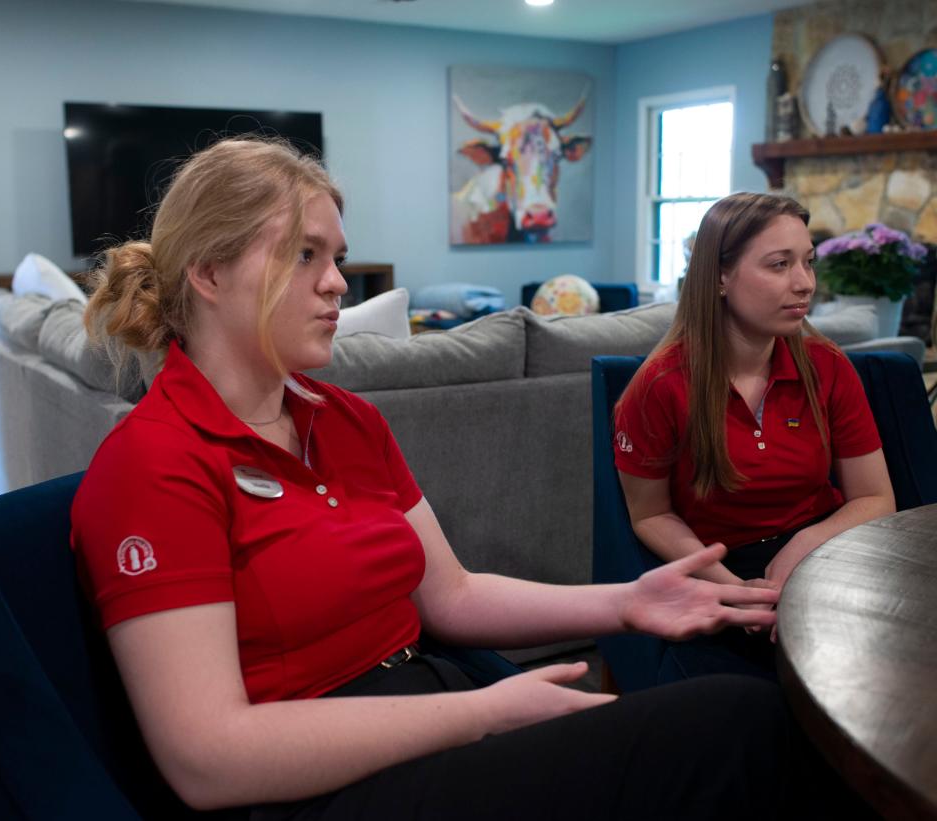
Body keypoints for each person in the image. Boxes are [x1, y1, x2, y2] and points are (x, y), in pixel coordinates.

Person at [72, 138, 799, 820]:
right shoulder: (155, 464)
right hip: (320, 784)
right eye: (303, 254)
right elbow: (207, 758)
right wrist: (482, 712)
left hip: (433, 696)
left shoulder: (345, 418)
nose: (336, 282)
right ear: (208, 273)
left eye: (336, 256)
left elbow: (451, 594)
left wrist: (629, 600)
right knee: (735, 724)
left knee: (730, 723)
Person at [613, 192, 896, 681]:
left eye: (808, 262)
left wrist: (804, 545)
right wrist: (734, 590)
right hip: (718, 567)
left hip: (824, 551)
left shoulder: (827, 367)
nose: (804, 283)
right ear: (720, 276)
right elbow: (651, 515)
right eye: (779, 264)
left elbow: (874, 497)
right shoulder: (660, 386)